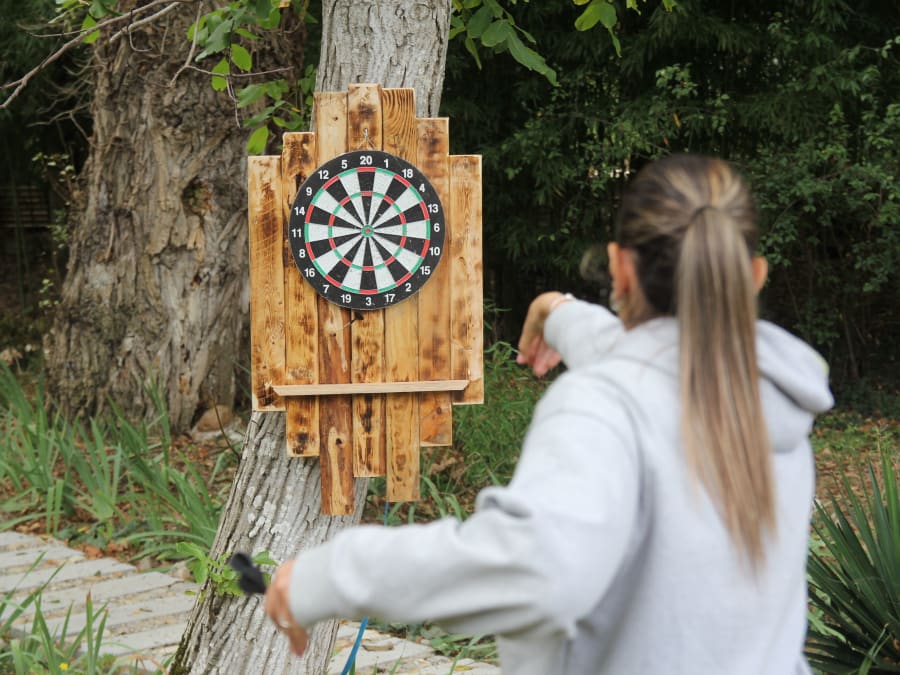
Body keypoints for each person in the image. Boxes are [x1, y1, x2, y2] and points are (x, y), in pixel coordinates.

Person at [264, 154, 833, 674]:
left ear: (620, 268)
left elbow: (533, 570)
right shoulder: (772, 394)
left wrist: (325, 576)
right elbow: (655, 362)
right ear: (752, 275)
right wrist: (555, 313)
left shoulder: (604, 406)